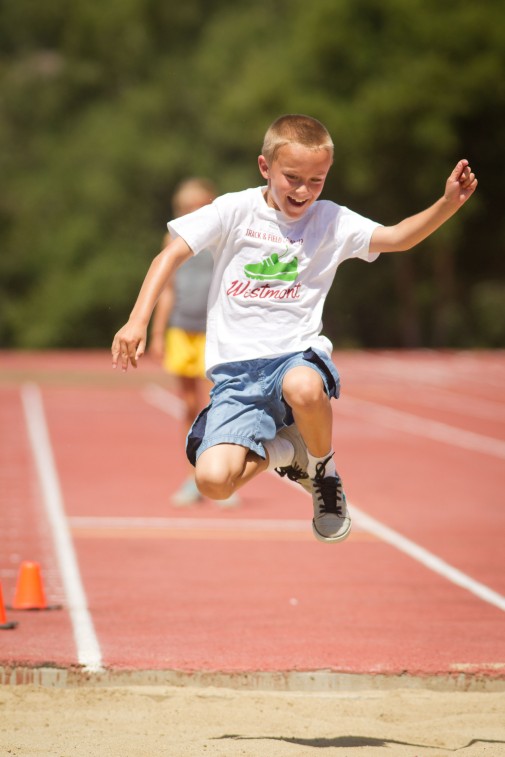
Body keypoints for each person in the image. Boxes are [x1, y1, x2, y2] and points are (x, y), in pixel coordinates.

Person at [112, 114, 477, 543]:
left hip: (294, 355)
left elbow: (397, 238)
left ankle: (322, 469)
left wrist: (447, 204)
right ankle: (287, 450)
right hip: (235, 375)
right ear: (265, 168)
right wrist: (137, 320)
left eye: (317, 180)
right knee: (213, 481)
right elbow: (168, 257)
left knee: (304, 388)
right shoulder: (234, 210)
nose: (304, 191)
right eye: (292, 178)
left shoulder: (330, 220)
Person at [148, 178, 238, 506]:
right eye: (185, 209)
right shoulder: (171, 238)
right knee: (188, 406)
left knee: (221, 406)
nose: (192, 213)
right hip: (181, 331)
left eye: (198, 206)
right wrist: (157, 333)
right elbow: (167, 289)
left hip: (216, 333)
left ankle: (222, 478)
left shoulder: (223, 238)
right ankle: (193, 477)